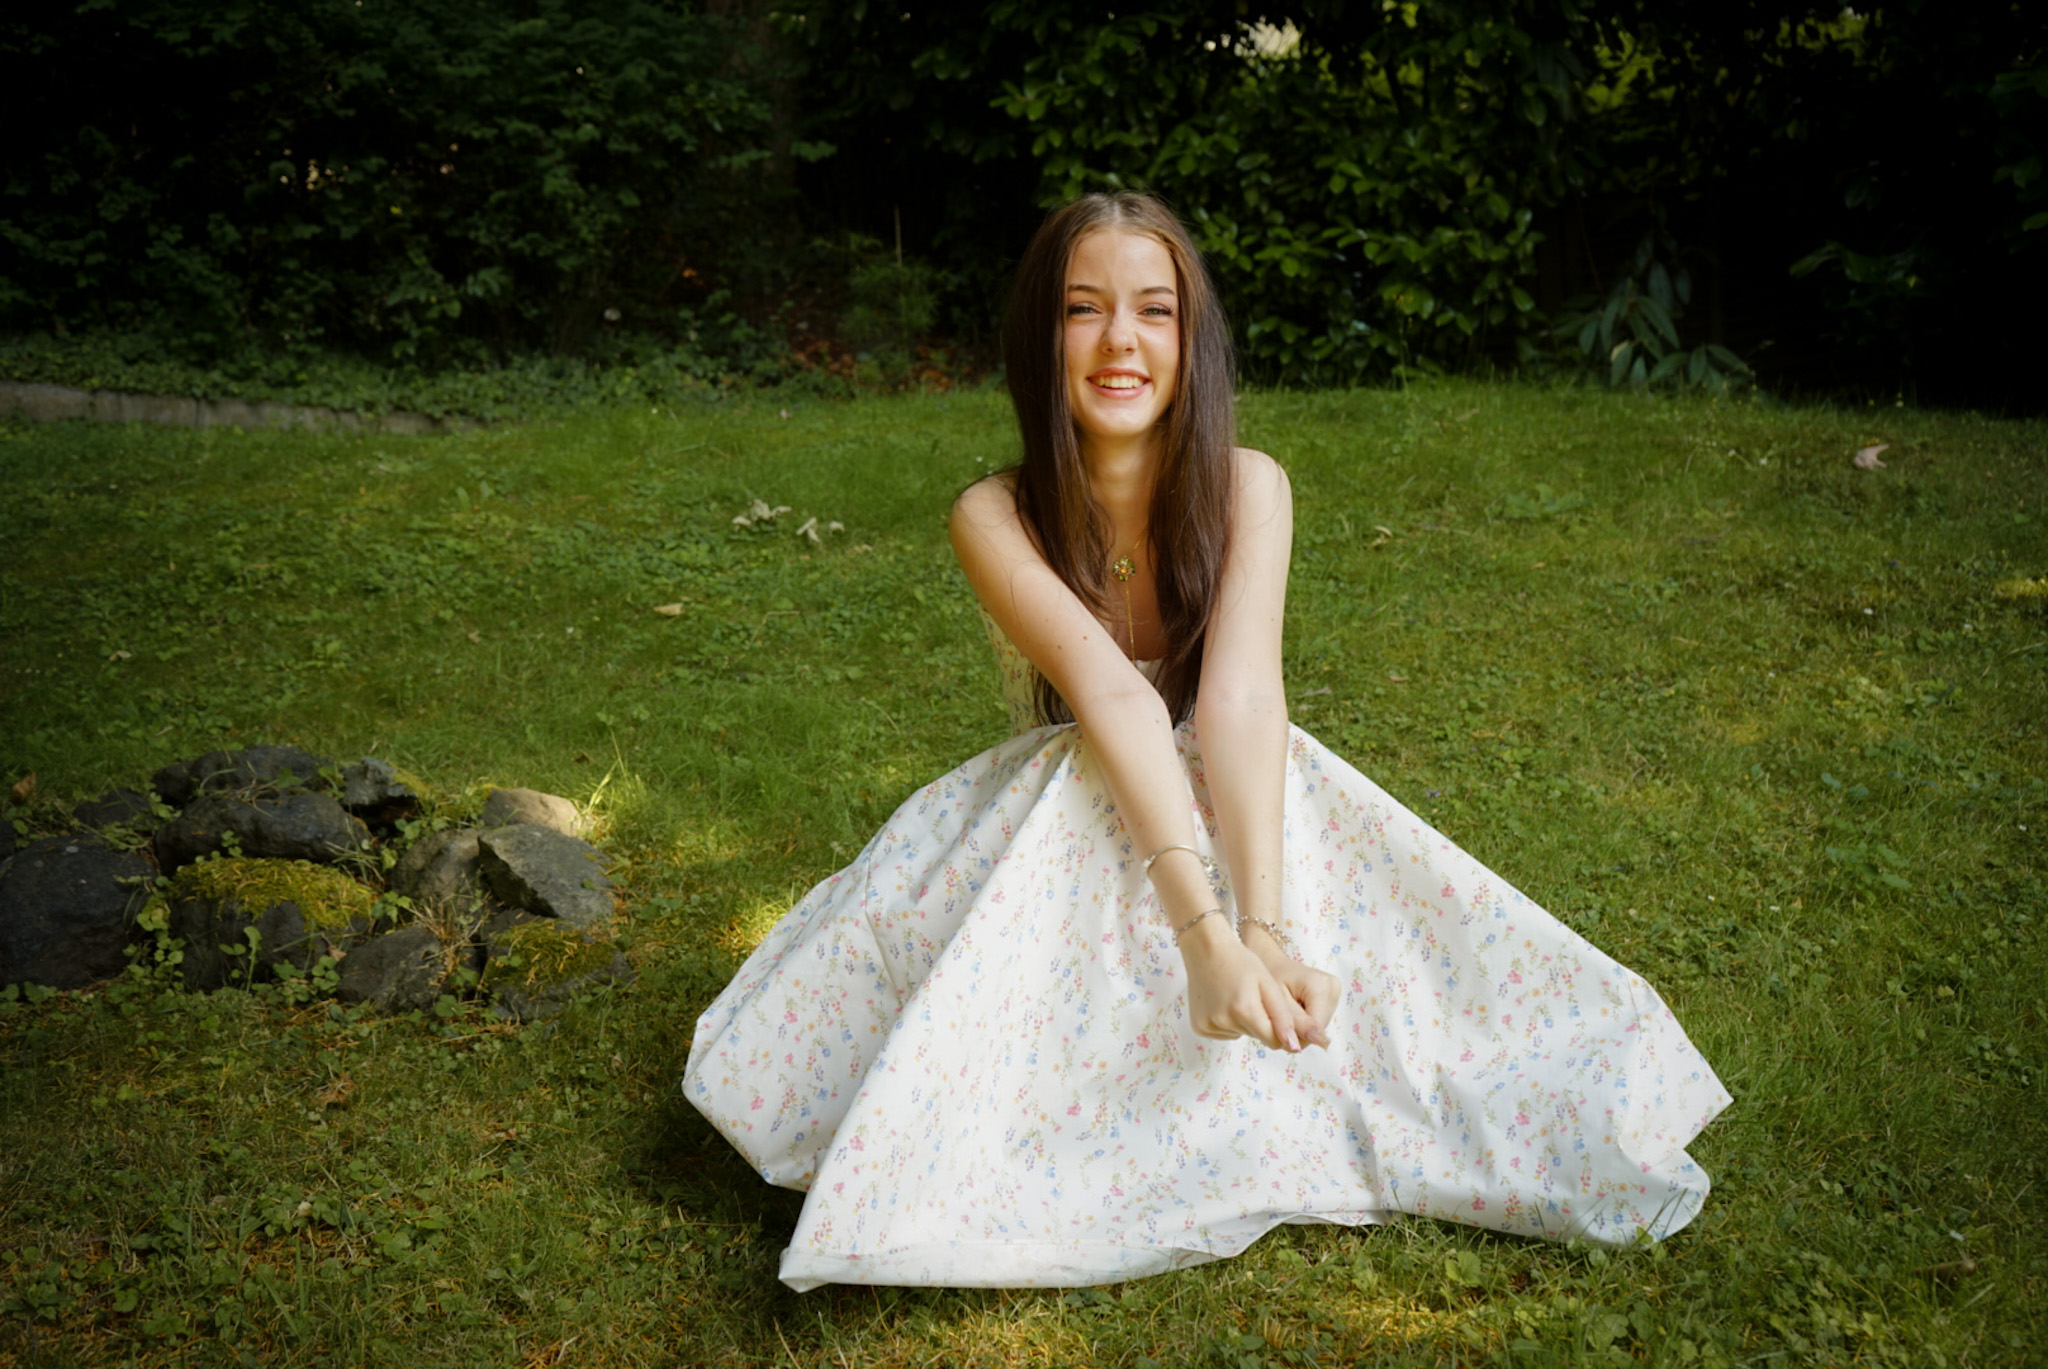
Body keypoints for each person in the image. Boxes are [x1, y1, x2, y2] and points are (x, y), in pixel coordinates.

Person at [683, 192, 1729, 1292]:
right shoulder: (994, 511)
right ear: (1040, 335)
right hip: (1082, 795)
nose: (1119, 341)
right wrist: (1200, 937)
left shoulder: (1248, 486)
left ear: (1192, 341)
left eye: (1154, 311)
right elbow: (1113, 700)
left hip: (1245, 795)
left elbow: (1236, 701)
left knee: (1416, 1019)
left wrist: (1259, 929)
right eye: (1082, 309)